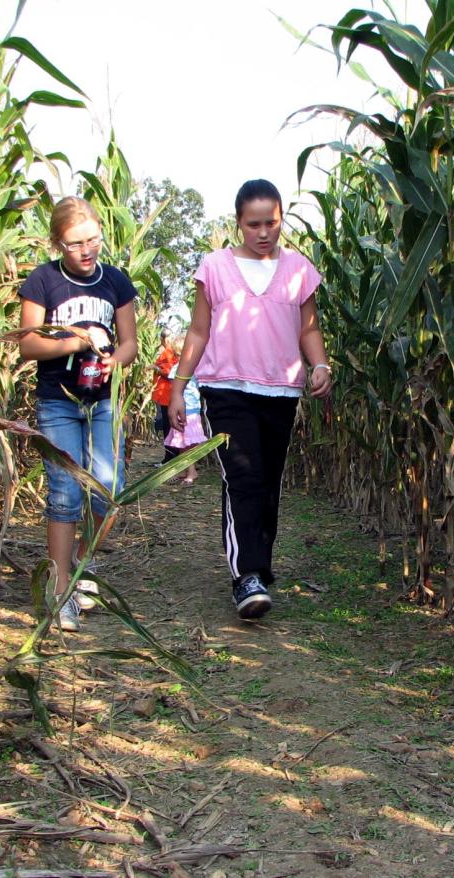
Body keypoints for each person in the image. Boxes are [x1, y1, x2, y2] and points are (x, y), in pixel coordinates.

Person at [169, 179, 331, 619]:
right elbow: (199, 330)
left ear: (281, 222)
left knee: (270, 482)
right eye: (253, 224)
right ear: (238, 223)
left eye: (272, 224)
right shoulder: (215, 268)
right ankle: (247, 576)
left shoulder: (299, 270)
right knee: (243, 477)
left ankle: (259, 562)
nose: (263, 233)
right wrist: (178, 387)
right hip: (225, 388)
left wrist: (320, 365)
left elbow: (308, 328)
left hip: (280, 390)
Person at [18, 196, 138, 632]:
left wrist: (114, 361)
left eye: (93, 240)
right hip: (58, 400)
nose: (87, 251)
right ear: (57, 243)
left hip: (103, 398)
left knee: (109, 487)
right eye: (75, 244)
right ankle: (61, 591)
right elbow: (28, 343)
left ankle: (80, 561)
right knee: (65, 492)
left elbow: (130, 343)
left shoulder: (116, 281)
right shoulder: (43, 281)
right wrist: (75, 341)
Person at [163, 361, 204, 484]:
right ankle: (184, 469)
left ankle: (192, 471)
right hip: (194, 408)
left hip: (184, 409)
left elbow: (172, 384)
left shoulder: (177, 368)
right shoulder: (196, 367)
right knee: (185, 442)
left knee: (187, 442)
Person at [151, 330, 179, 465]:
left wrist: (155, 368)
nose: (165, 341)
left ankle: (170, 458)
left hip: (168, 394)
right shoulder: (168, 351)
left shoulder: (170, 352)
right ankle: (169, 457)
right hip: (164, 394)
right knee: (168, 427)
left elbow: (169, 372)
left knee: (169, 427)